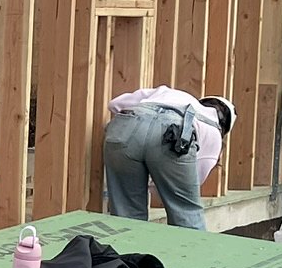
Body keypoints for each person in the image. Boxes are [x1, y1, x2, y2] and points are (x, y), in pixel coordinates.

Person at [101, 88, 235, 230]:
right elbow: (186, 186)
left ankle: (127, 251)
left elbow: (114, 104)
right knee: (186, 214)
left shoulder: (169, 92)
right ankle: (190, 252)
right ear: (225, 128)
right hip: (175, 136)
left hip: (126, 124)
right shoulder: (213, 131)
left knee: (126, 215)